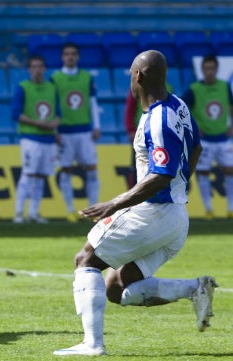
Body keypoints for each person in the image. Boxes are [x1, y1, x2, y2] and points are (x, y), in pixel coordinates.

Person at [54, 50, 217, 356]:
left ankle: (92, 344)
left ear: (139, 76)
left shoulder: (158, 120)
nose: (130, 78)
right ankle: (195, 288)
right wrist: (180, 187)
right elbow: (196, 147)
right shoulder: (179, 105)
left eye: (131, 73)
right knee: (116, 287)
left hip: (153, 213)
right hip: (176, 217)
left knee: (85, 260)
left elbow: (160, 175)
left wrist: (112, 204)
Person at [50, 42, 101, 222]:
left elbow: (93, 102)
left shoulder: (87, 77)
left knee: (91, 169)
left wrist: (97, 126)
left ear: (77, 56)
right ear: (62, 57)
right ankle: (70, 210)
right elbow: (51, 105)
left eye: (73, 54)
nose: (70, 57)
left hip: (84, 130)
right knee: (66, 170)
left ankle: (93, 210)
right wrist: (54, 129)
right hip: (64, 132)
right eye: (66, 54)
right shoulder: (54, 78)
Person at [181, 54, 233, 220]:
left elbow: (231, 106)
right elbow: (182, 108)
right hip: (204, 141)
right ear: (202, 69)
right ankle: (208, 209)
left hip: (223, 138)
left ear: (216, 69)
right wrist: (193, 128)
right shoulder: (195, 89)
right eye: (206, 68)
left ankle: (230, 208)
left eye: (212, 68)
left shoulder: (224, 86)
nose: (209, 71)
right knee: (203, 173)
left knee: (230, 171)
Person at [11, 55, 60, 223]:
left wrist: (53, 124)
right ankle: (18, 213)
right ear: (30, 69)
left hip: (48, 139)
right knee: (28, 174)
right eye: (34, 66)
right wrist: (36, 122)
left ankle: (33, 212)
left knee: (41, 176)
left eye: (40, 66)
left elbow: (58, 113)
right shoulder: (23, 87)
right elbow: (16, 114)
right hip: (30, 137)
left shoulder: (52, 88)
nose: (37, 70)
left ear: (44, 68)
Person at [124, 82, 174, 189]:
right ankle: (131, 200)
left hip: (161, 136)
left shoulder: (168, 88)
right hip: (141, 135)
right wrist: (130, 129)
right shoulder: (137, 87)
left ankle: (158, 199)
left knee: (160, 168)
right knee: (137, 168)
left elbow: (172, 112)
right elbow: (130, 109)